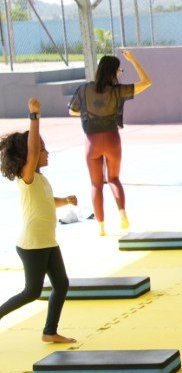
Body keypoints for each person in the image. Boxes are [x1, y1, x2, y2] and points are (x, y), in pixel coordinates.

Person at [0, 99, 77, 343]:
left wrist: (65, 200)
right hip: (33, 245)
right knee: (32, 292)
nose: (46, 152)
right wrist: (34, 116)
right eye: (43, 149)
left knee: (61, 284)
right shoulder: (27, 177)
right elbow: (32, 150)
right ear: (28, 156)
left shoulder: (40, 179)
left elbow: (46, 201)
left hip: (47, 241)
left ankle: (49, 332)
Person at [68, 50, 151, 236]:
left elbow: (72, 110)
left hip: (92, 141)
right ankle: (122, 213)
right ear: (113, 72)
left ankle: (101, 226)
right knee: (113, 178)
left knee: (96, 184)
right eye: (119, 71)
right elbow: (147, 82)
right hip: (112, 139)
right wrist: (133, 60)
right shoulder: (118, 91)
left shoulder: (84, 89)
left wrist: (87, 112)